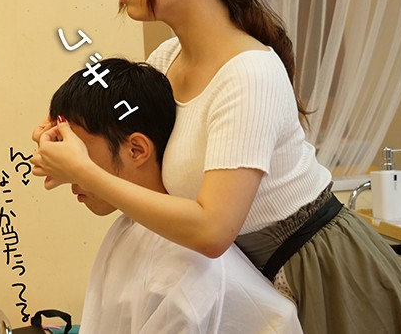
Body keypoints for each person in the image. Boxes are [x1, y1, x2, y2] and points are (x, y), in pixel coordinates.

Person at [30, 0, 401, 333]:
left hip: (326, 278)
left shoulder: (249, 73)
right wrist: (72, 144)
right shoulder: (165, 61)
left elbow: (212, 231)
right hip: (249, 279)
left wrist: (85, 170)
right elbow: (136, 163)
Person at [46, 57, 301, 333]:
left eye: (79, 153)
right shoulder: (134, 228)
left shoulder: (184, 270)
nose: (69, 169)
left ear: (136, 150)